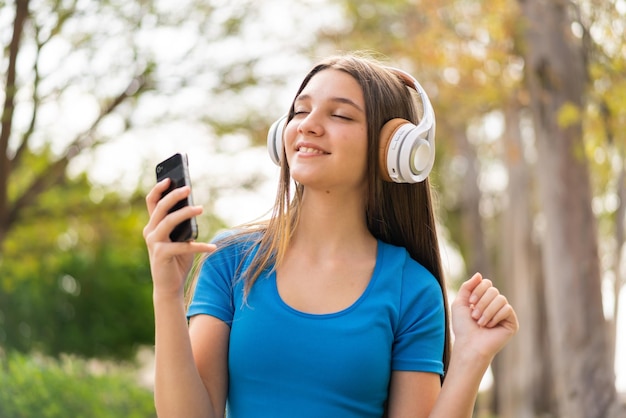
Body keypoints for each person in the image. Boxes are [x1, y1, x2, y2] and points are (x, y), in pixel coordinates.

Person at [143, 52, 519, 418]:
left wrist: (471, 356)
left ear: (393, 150)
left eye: (339, 114)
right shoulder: (230, 259)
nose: (308, 125)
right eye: (300, 111)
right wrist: (167, 292)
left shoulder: (412, 290)